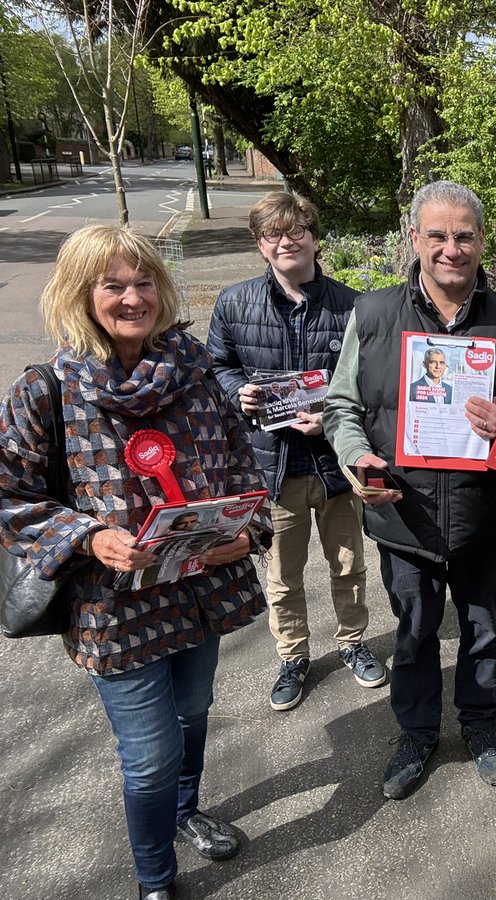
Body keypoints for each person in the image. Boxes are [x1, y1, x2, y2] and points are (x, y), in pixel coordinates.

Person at [0, 225, 271, 900]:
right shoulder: (47, 391)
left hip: (197, 590)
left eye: (144, 280)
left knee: (195, 714)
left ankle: (186, 814)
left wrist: (249, 529)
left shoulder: (197, 371)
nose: (133, 296)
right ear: (79, 294)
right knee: (149, 758)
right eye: (113, 284)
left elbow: (245, 466)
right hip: (113, 610)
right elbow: (11, 496)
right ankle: (156, 879)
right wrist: (87, 537)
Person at [324, 179, 496, 800]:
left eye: (464, 235)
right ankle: (417, 733)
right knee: (414, 634)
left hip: (487, 515)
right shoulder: (373, 314)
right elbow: (342, 406)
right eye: (438, 235)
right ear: (415, 239)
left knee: (484, 630)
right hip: (404, 514)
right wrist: (358, 461)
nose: (451, 248)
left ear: (482, 242)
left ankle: (482, 727)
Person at [207, 191, 383, 714]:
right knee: (282, 574)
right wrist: (236, 391)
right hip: (271, 463)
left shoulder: (353, 307)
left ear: (314, 236)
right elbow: (217, 366)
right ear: (261, 246)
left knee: (348, 563)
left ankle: (351, 642)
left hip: (333, 462)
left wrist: (332, 415)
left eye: (296, 230)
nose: (286, 241)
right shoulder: (235, 303)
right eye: (273, 235)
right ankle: (293, 656)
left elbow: (374, 384)